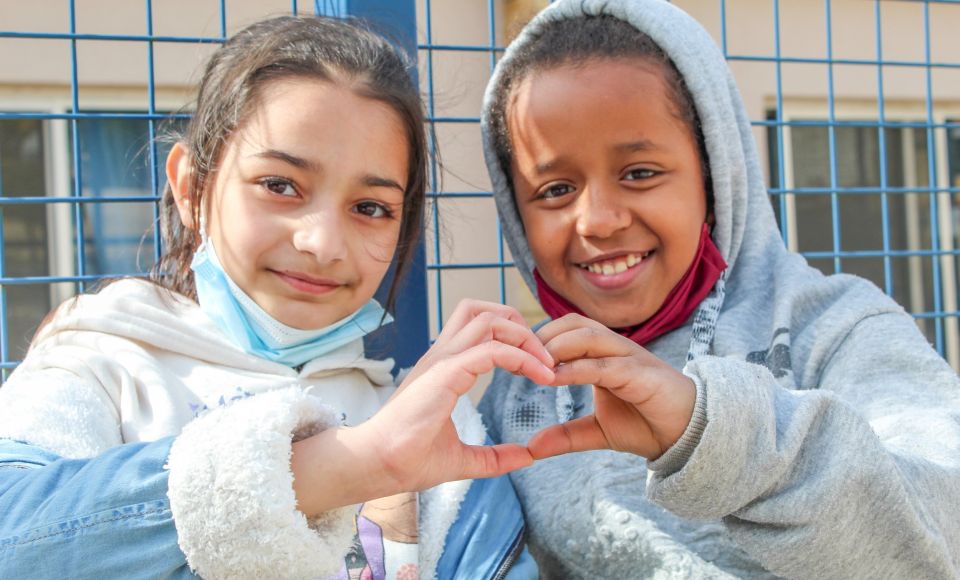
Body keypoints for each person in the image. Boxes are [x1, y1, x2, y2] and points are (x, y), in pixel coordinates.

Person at [0, 15, 550, 579]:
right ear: (191, 188)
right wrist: (334, 468)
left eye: (370, 208)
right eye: (280, 186)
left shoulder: (436, 427)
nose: (322, 243)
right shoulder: (103, 367)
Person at [476, 0, 960, 577]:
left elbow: (942, 531)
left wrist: (709, 432)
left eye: (639, 173)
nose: (598, 220)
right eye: (555, 189)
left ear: (713, 174)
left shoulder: (835, 328)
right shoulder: (519, 386)